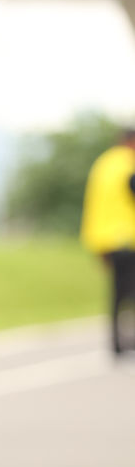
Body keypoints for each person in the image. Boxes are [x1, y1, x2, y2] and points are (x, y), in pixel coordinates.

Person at [80, 126, 135, 355]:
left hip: (104, 239)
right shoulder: (128, 164)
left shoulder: (103, 164)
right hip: (127, 238)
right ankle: (125, 340)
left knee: (118, 292)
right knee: (129, 291)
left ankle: (117, 343)